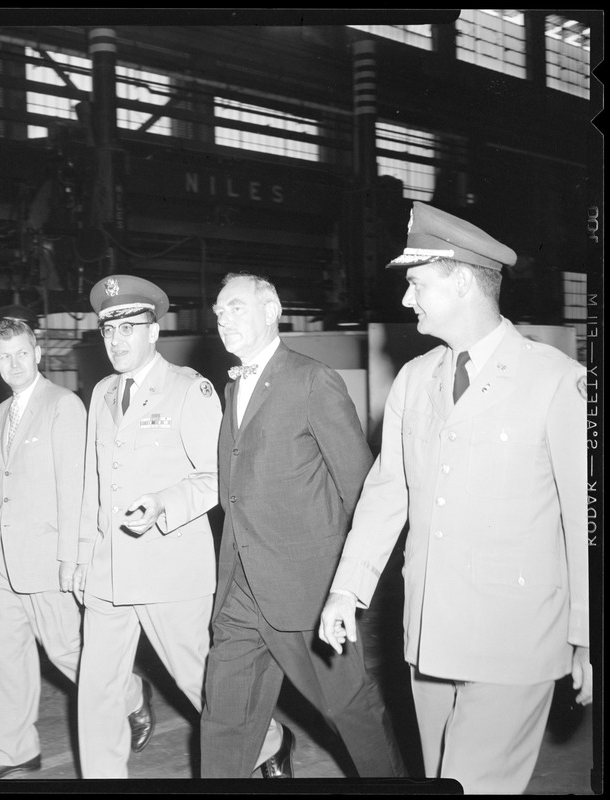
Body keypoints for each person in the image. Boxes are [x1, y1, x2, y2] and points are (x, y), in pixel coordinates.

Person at [319, 202, 592, 793]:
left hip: (515, 633)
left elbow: (585, 516)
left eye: (416, 284)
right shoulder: (416, 381)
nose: (405, 300)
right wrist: (348, 587)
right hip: (429, 631)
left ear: (463, 280)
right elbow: (388, 492)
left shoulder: (554, 380)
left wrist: (588, 633)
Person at [200, 272, 406, 779]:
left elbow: (362, 489)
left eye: (237, 308)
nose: (224, 320)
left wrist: (348, 586)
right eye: (219, 314)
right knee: (224, 716)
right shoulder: (233, 388)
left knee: (349, 709)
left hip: (307, 589)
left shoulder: (312, 380)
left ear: (272, 310)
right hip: (240, 588)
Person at [71, 275, 223, 778]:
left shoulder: (188, 389)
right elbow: (93, 481)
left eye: (128, 328)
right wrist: (79, 555)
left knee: (199, 682)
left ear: (153, 332)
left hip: (170, 568)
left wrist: (164, 502)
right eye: (108, 330)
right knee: (97, 689)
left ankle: (267, 744)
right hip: (108, 571)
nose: (116, 340)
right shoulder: (101, 393)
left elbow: (218, 475)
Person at [0, 318, 87, 780]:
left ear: (37, 353)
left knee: (65, 651)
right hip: (3, 561)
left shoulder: (64, 406)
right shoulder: (1, 413)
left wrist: (72, 559)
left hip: (47, 557)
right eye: (4, 357)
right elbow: (0, 491)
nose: (14, 363)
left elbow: (76, 489)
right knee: (6, 656)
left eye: (22, 352)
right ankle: (13, 753)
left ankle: (130, 695)